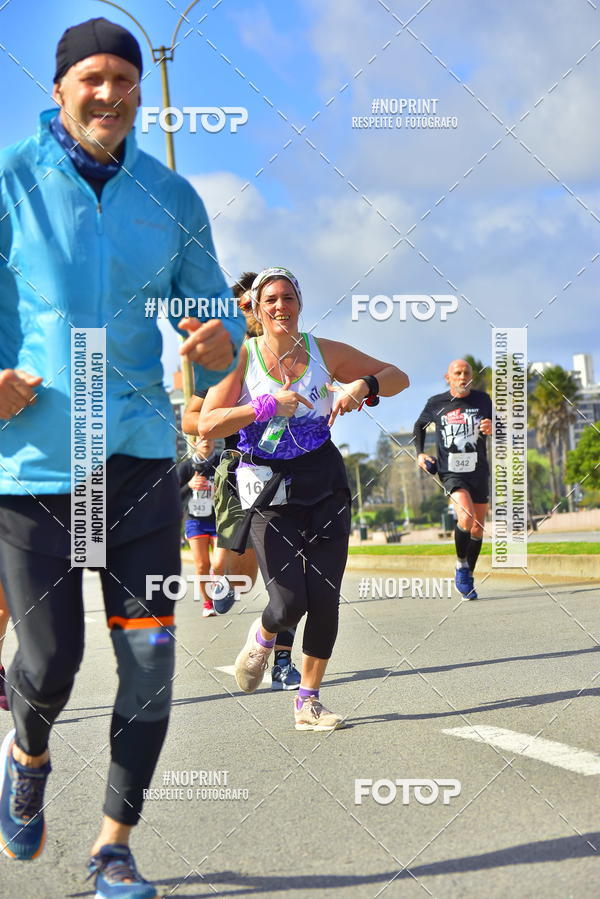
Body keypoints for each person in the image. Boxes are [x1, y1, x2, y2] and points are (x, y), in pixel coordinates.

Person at [0, 17, 244, 898]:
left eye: (125, 80)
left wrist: (221, 339)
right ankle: (27, 753)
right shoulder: (10, 182)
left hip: (139, 459)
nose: (111, 94)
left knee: (147, 660)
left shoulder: (172, 197)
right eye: (93, 78)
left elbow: (218, 317)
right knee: (51, 663)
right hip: (36, 465)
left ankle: (114, 846)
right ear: (60, 87)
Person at [199, 267, 409, 730]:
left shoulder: (322, 351)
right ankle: (263, 634)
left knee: (326, 596)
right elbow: (206, 423)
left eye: (288, 297)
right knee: (289, 601)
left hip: (324, 481)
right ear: (255, 308)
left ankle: (308, 702)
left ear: (299, 302)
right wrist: (264, 406)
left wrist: (363, 386)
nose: (280, 306)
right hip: (268, 488)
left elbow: (399, 376)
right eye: (270, 299)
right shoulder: (243, 358)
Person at [182, 273, 301, 689]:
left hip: (291, 468)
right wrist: (251, 410)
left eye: (260, 303)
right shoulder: (223, 358)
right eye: (246, 306)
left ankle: (283, 659)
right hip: (237, 469)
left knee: (290, 572)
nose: (255, 312)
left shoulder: (298, 349)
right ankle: (222, 575)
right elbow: (192, 420)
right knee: (242, 578)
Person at [414, 359, 492, 600]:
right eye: (457, 373)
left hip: (478, 470)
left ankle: (467, 573)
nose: (462, 376)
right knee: (466, 515)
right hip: (451, 470)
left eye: (466, 372)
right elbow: (419, 426)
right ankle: (460, 564)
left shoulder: (482, 400)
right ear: (448, 377)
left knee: (478, 528)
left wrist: (492, 426)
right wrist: (420, 453)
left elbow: (495, 426)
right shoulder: (436, 403)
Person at [177, 436, 224, 617]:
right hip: (195, 521)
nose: (206, 441)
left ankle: (217, 586)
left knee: (218, 564)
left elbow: (235, 484)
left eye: (210, 438)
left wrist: (222, 489)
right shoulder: (186, 467)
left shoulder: (221, 461)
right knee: (202, 565)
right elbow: (173, 496)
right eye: (201, 438)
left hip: (219, 520)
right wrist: (189, 485)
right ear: (193, 442)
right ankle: (207, 603)